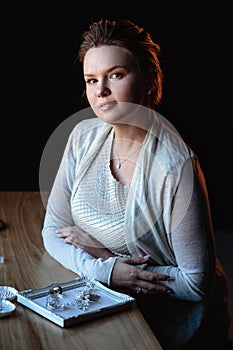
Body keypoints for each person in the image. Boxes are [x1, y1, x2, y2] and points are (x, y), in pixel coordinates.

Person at [41, 18, 231, 349]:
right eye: (91, 79)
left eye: (116, 75)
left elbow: (197, 283)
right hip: (109, 304)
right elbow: (52, 231)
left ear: (148, 80)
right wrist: (106, 269)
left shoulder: (176, 166)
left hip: (175, 325)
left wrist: (101, 254)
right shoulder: (82, 138)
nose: (100, 90)